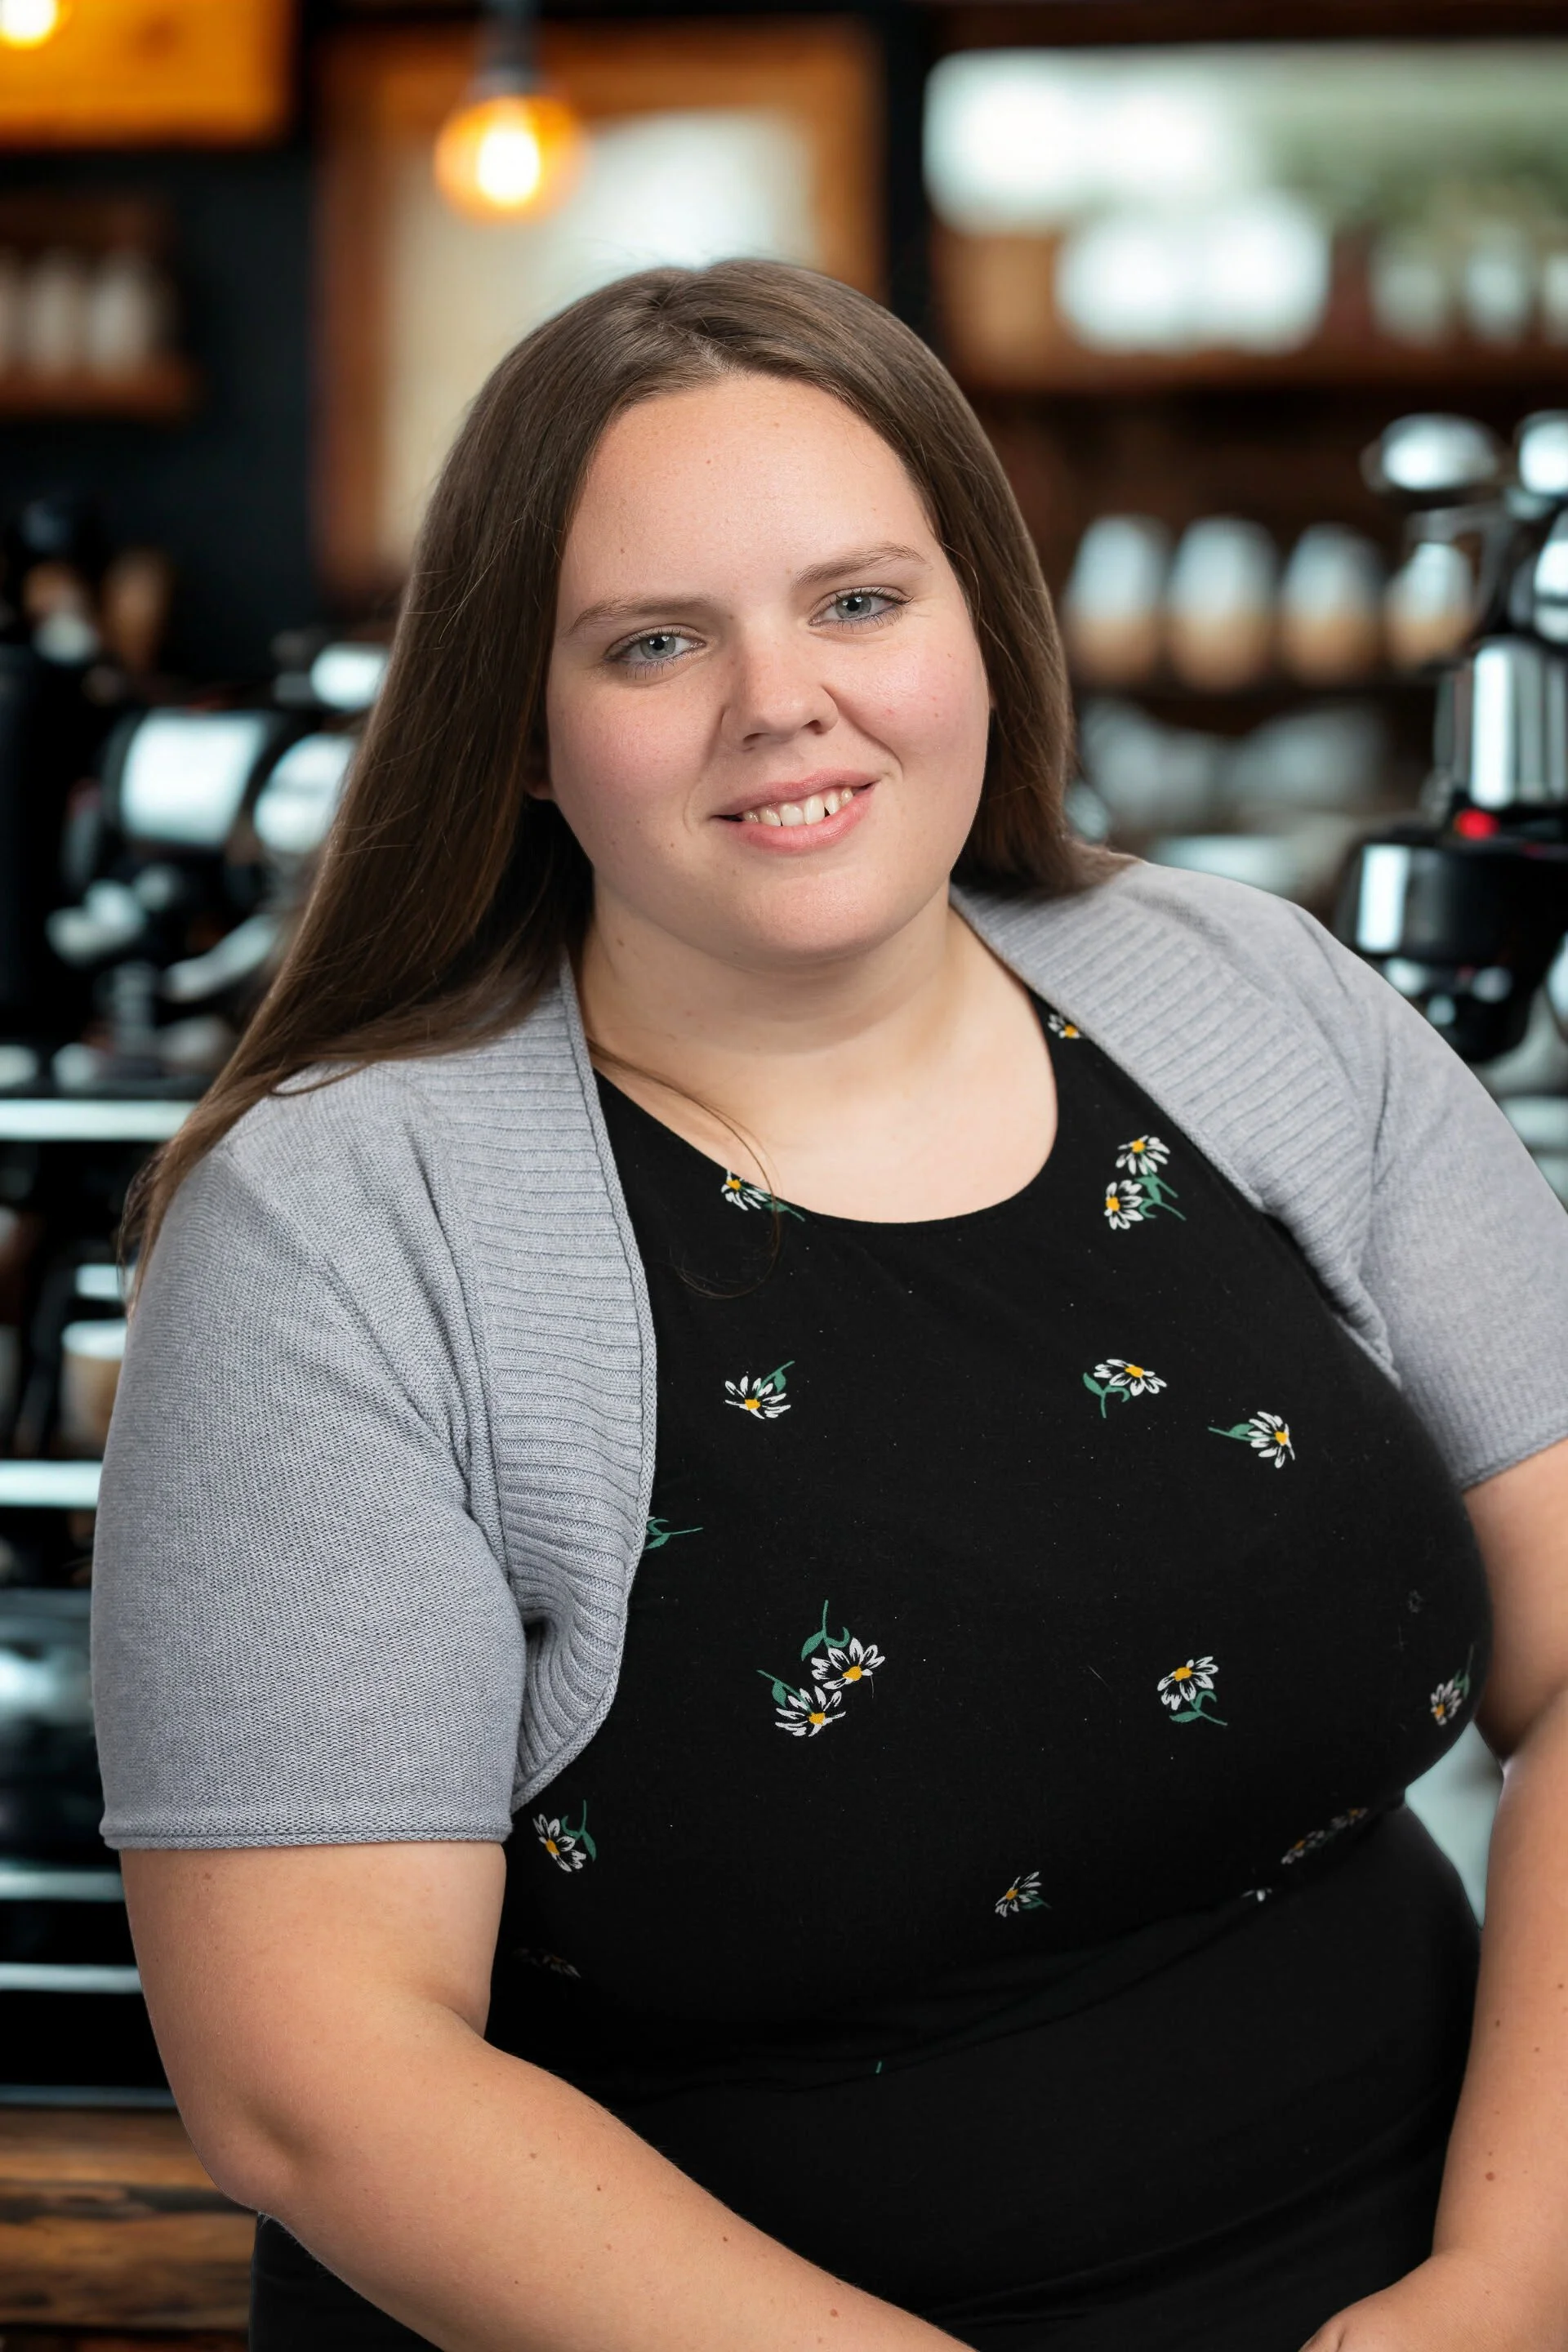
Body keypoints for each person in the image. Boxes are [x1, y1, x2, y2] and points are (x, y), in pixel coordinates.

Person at [91, 261, 1568, 2352]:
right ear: (515, 728)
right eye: (655, 641)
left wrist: (1512, 2284)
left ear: (984, 624)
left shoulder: (1244, 997)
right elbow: (318, 2085)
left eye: (860, 601)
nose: (781, 701)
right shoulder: (349, 1224)